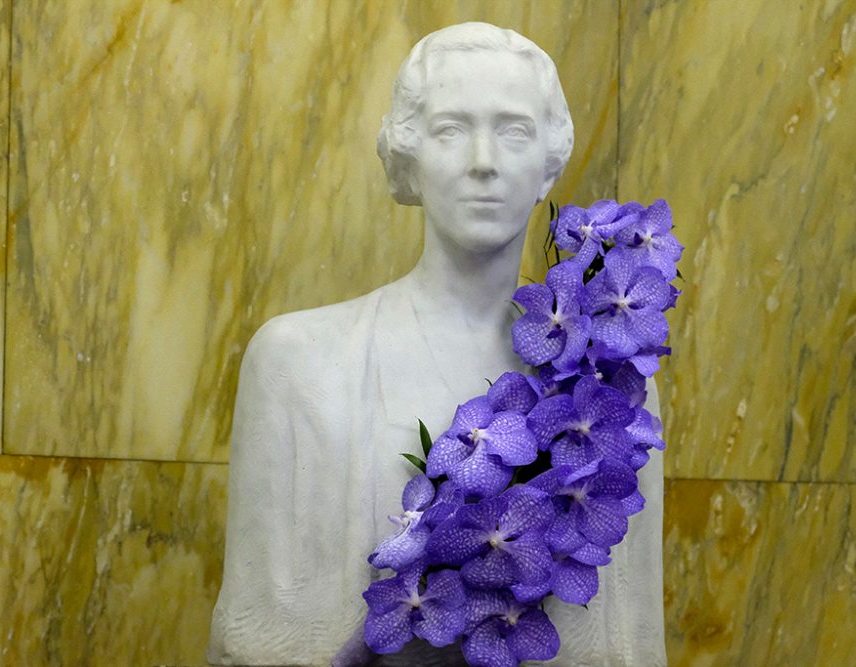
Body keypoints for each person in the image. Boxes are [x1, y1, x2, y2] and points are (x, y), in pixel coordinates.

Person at [207, 22, 666, 667]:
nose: (484, 160)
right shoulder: (299, 363)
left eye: (513, 131)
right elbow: (256, 638)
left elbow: (628, 639)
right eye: (451, 129)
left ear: (547, 166)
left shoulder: (608, 381)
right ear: (409, 159)